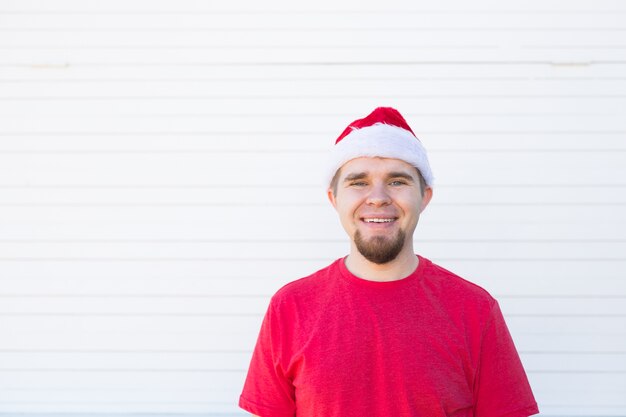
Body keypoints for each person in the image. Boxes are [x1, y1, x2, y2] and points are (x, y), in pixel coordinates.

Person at [239, 107, 539, 417]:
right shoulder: (290, 307)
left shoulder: (475, 309)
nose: (378, 197)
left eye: (397, 182)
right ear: (334, 199)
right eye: (358, 182)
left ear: (424, 197)